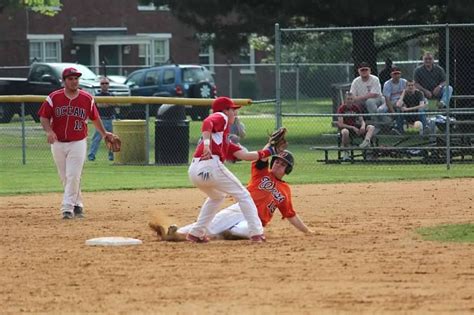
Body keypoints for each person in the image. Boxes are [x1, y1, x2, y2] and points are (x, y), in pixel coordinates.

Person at [151, 150, 315, 241]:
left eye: (283, 164)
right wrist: (271, 146)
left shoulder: (285, 190)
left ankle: (225, 233)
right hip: (240, 209)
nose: (279, 164)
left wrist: (307, 231)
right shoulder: (262, 173)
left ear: (288, 170)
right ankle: (174, 233)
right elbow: (262, 157)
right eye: (277, 161)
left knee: (243, 231)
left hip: (256, 221)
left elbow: (290, 215)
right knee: (210, 224)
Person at [187, 96, 284, 243]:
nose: (235, 113)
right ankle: (256, 233)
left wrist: (270, 151)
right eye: (233, 110)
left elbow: (245, 155)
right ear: (225, 110)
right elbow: (207, 122)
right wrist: (206, 144)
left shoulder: (223, 139)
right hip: (210, 166)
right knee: (244, 195)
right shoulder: (221, 116)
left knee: (217, 197)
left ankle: (195, 233)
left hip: (195, 172)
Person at [38, 67, 117, 220]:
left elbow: (95, 118)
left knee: (73, 175)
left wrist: (104, 133)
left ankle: (67, 208)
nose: (74, 81)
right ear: (64, 81)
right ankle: (78, 204)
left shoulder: (86, 98)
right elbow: (44, 117)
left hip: (78, 142)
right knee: (65, 177)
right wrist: (49, 131)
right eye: (70, 78)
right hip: (58, 142)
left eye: (76, 78)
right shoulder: (54, 97)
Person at [336, 92, 375, 160]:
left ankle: (366, 143)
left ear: (353, 100)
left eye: (351, 99)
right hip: (346, 128)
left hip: (356, 128)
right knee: (345, 132)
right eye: (348, 99)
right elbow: (341, 124)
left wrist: (363, 126)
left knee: (371, 127)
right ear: (345, 100)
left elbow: (361, 120)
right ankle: (346, 153)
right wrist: (353, 127)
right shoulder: (342, 108)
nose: (349, 100)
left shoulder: (356, 108)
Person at [88, 76, 116, 161]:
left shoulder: (112, 95)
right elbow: (99, 106)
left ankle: (111, 156)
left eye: (106, 83)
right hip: (101, 120)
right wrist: (107, 104)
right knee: (96, 139)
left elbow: (113, 105)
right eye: (102, 83)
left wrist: (105, 104)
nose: (104, 85)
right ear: (100, 85)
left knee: (111, 139)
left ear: (109, 85)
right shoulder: (97, 96)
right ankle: (91, 156)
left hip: (111, 119)